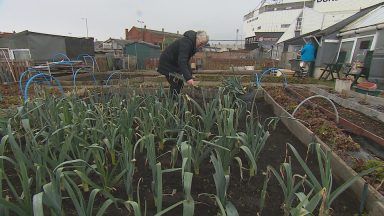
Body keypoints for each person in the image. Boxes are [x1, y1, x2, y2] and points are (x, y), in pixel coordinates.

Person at [157, 30, 209, 95]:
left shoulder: (192, 44)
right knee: (176, 85)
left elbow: (186, 61)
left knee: (179, 84)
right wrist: (188, 78)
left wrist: (189, 75)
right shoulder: (186, 42)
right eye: (201, 43)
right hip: (168, 64)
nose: (201, 46)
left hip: (174, 64)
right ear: (197, 38)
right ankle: (173, 103)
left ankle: (175, 102)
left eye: (203, 45)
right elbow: (182, 61)